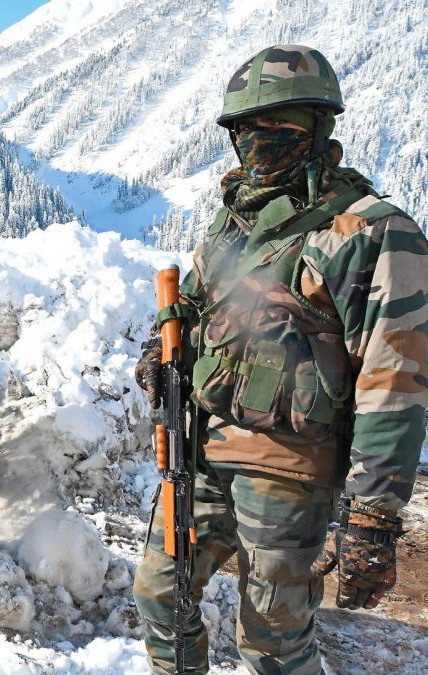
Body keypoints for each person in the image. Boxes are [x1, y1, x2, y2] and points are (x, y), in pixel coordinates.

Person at [133, 45, 428, 674]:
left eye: (278, 127)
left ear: (320, 128)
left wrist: (373, 516)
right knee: (159, 594)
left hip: (294, 466)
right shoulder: (234, 222)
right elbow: (190, 304)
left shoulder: (373, 232)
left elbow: (394, 381)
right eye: (246, 130)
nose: (257, 142)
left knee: (272, 640)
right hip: (201, 452)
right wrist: (158, 351)